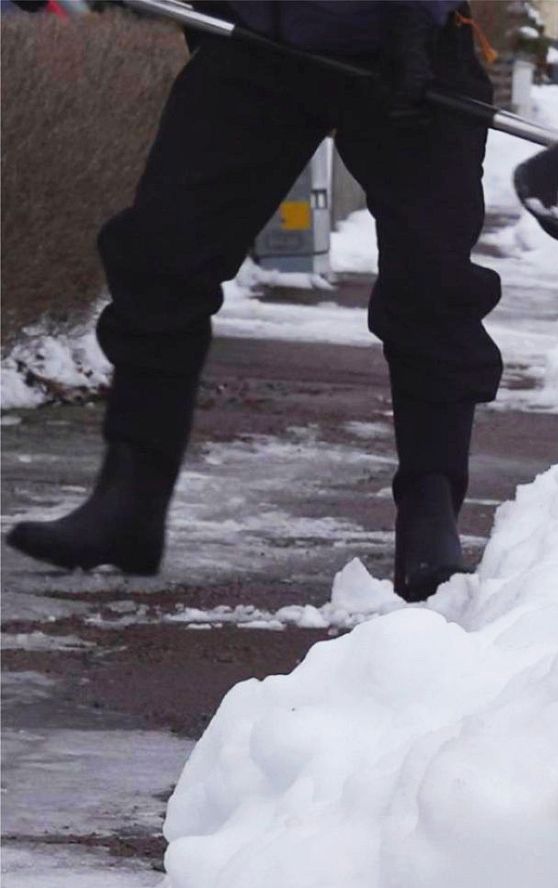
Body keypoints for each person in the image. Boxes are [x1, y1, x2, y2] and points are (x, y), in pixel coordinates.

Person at [6, 0, 504, 603]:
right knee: (164, 251)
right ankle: (129, 497)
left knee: (434, 279)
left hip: (412, 42)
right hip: (263, 34)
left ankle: (431, 510)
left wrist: (415, 17)